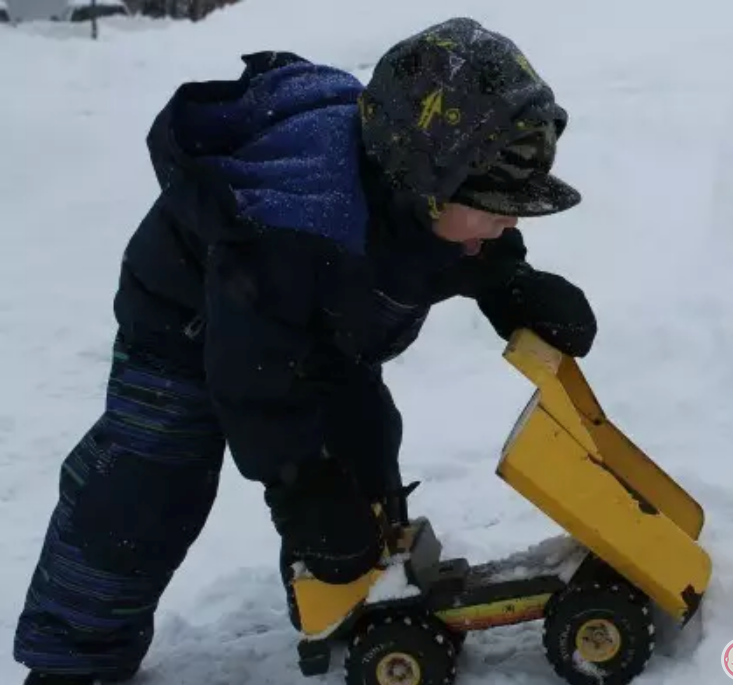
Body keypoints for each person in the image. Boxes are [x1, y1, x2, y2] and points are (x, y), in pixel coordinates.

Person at [14, 16, 597, 685]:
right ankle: (75, 656)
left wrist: (511, 286)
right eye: (494, 204)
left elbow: (457, 246)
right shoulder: (293, 224)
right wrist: (298, 486)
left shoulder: (418, 195)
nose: (509, 220)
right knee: (147, 483)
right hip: (191, 327)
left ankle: (361, 596)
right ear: (421, 180)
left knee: (361, 448)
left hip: (316, 324)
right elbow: (252, 378)